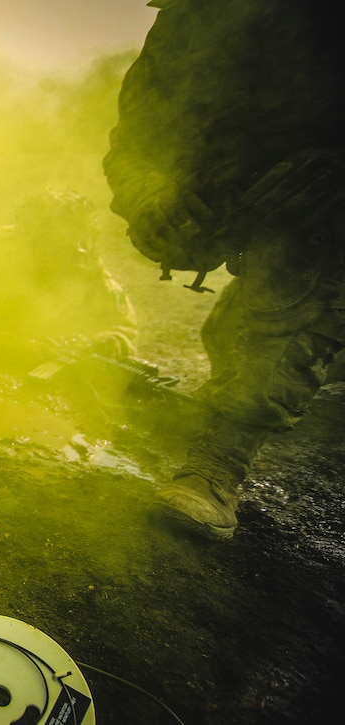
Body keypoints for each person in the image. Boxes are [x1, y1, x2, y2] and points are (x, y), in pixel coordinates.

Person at [103, 0, 345, 540]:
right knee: (230, 335)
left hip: (319, 213)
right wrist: (148, 197)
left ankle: (218, 467)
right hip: (234, 194)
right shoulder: (182, 21)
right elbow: (128, 143)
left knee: (297, 275)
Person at [0, 187, 137, 372]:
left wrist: (108, 343)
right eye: (60, 243)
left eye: (79, 241)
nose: (75, 251)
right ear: (33, 238)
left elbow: (123, 325)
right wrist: (21, 349)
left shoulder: (82, 259)